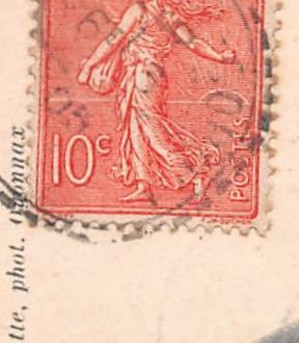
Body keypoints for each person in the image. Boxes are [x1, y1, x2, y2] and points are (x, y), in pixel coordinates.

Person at [75, 0, 237, 203]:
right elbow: (193, 43)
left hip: (143, 74)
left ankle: (194, 173)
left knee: (152, 132)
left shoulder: (138, 10)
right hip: (153, 75)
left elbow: (112, 41)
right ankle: (143, 185)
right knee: (137, 129)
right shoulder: (170, 14)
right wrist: (220, 57)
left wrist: (88, 66)